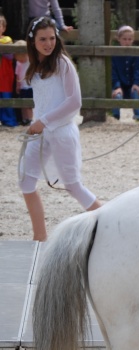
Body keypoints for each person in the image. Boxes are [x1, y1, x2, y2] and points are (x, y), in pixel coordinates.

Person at [19, 17, 101, 241]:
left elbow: (74, 102)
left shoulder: (63, 64)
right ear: (32, 40)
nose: (48, 43)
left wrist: (42, 121)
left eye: (52, 38)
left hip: (61, 132)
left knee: (73, 186)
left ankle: (105, 224)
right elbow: (43, 99)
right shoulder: (35, 66)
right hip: (40, 133)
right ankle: (40, 237)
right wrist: (37, 123)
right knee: (26, 181)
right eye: (43, 39)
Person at [110, 25, 139, 122]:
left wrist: (136, 83)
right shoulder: (114, 54)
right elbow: (113, 71)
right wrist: (117, 86)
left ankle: (138, 117)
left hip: (133, 84)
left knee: (136, 92)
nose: (127, 42)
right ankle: (115, 117)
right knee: (116, 95)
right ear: (119, 39)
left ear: (133, 40)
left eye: (129, 39)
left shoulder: (138, 53)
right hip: (119, 84)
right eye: (124, 39)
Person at [0, 14, 17, 127]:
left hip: (5, 75)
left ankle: (10, 120)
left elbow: (11, 56)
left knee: (6, 97)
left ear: (4, 28)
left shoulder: (7, 40)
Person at [14, 39, 33, 125]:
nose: (21, 60)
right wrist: (17, 85)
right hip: (22, 86)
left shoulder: (30, 61)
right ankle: (24, 119)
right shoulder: (18, 63)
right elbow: (17, 74)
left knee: (28, 104)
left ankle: (30, 119)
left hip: (30, 86)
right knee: (22, 103)